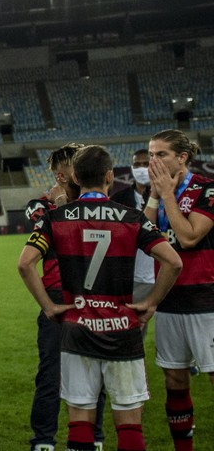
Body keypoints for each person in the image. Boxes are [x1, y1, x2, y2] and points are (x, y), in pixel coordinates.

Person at [18, 145, 183, 451]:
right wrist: (152, 302)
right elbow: (173, 262)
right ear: (110, 176)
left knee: (79, 416)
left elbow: (24, 263)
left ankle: (62, 439)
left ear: (77, 176)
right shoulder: (131, 216)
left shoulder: (57, 218)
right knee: (129, 421)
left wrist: (49, 307)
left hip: (76, 323)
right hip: (122, 328)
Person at [24, 143, 106, 451]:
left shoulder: (99, 204)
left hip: (96, 297)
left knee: (94, 372)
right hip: (60, 298)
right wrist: (60, 208)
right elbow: (32, 255)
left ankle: (95, 437)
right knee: (51, 375)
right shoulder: (41, 207)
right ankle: (43, 441)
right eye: (78, 165)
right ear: (62, 176)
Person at [145, 129, 214, 451]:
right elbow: (142, 238)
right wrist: (155, 196)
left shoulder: (207, 189)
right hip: (169, 301)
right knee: (174, 381)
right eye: (151, 154)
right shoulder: (156, 192)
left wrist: (168, 196)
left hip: (206, 302)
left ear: (182, 158)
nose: (153, 161)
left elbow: (188, 238)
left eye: (161, 154)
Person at [111, 149, 156, 328]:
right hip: (135, 278)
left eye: (146, 164)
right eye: (137, 164)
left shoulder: (169, 198)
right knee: (134, 334)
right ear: (131, 167)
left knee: (174, 336)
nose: (141, 168)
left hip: (164, 277)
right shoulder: (118, 200)